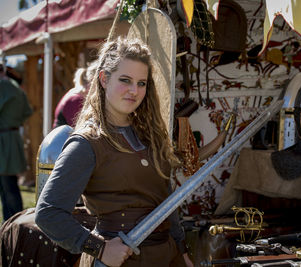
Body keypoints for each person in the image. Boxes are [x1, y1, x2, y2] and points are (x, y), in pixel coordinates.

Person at [35, 37, 193, 267]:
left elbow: (165, 202)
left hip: (165, 256)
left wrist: (182, 251)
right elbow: (48, 213)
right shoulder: (87, 143)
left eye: (141, 83)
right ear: (104, 79)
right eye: (125, 80)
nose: (134, 91)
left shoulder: (150, 137)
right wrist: (99, 248)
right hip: (117, 261)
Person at [0, 57, 33, 221]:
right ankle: (11, 220)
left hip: (4, 140)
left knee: (8, 185)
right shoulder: (16, 87)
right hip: (11, 136)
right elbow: (27, 111)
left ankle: (13, 220)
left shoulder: (3, 86)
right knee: (7, 184)